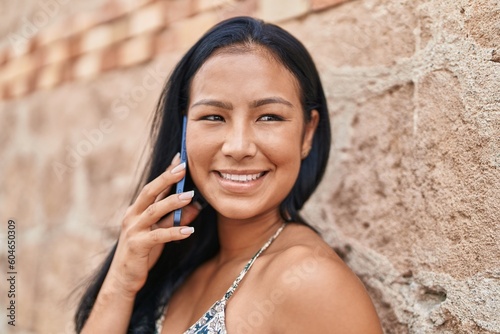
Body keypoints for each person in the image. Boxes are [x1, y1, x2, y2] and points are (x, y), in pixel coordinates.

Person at [75, 16, 383, 334]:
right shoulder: (175, 267)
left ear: (307, 133)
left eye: (268, 116)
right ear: (183, 130)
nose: (238, 147)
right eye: (213, 116)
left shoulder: (310, 281)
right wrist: (122, 282)